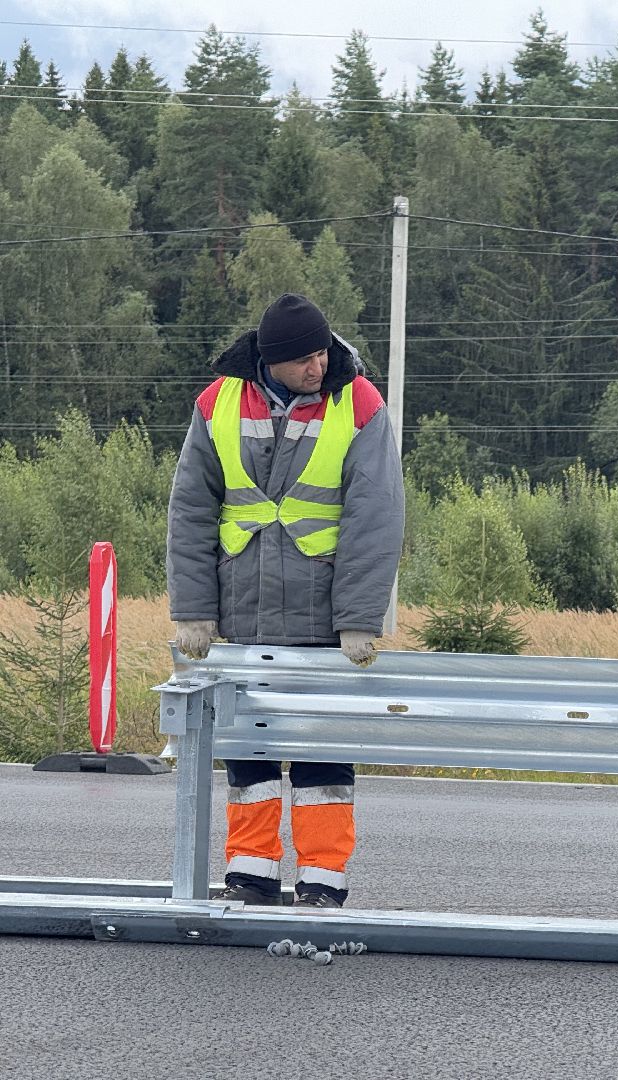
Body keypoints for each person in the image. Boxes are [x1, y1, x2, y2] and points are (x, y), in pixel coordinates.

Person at [166, 292, 404, 909]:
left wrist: (358, 620)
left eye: (323, 354)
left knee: (323, 759)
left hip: (322, 618)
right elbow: (191, 510)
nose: (318, 367)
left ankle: (323, 880)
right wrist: (193, 610)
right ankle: (252, 874)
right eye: (304, 360)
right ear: (270, 361)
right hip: (245, 613)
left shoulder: (359, 403)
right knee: (251, 757)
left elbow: (375, 516)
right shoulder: (216, 403)